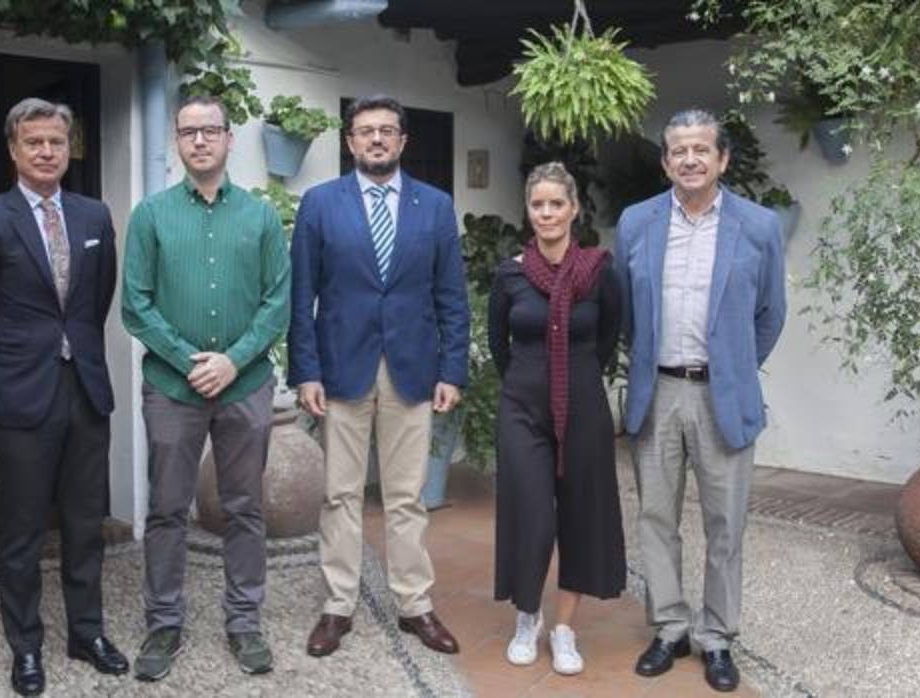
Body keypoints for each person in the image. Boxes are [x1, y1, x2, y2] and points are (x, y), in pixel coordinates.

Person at [0, 97, 127, 697]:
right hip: (22, 394)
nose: (47, 152)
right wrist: (6, 367)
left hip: (84, 390)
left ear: (68, 146)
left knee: (85, 525)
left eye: (56, 141)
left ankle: (87, 633)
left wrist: (69, 348)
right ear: (14, 150)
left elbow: (95, 302)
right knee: (23, 531)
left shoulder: (93, 216)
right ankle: (25, 647)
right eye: (35, 143)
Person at [288, 94, 470, 658]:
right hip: (341, 370)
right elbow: (302, 297)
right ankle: (338, 605)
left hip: (412, 371)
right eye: (365, 131)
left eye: (386, 131)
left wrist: (452, 369)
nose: (375, 139)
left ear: (402, 141)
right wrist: (306, 371)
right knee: (339, 493)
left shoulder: (435, 207)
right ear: (349, 141)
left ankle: (415, 604)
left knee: (406, 496)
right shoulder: (320, 204)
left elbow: (451, 298)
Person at [614, 108, 786, 693]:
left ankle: (716, 638)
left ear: (722, 159)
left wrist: (735, 366)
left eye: (701, 150)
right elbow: (627, 313)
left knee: (725, 525)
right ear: (665, 162)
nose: (690, 159)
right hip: (657, 390)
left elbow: (770, 314)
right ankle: (668, 628)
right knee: (656, 518)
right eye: (678, 150)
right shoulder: (636, 223)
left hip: (723, 394)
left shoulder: (758, 226)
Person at [121, 94, 290, 680]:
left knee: (245, 509)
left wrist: (233, 361)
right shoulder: (151, 215)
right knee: (167, 508)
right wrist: (192, 362)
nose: (199, 140)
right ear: (177, 140)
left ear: (228, 139)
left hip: (246, 387)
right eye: (188, 131)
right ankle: (163, 622)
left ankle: (244, 622)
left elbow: (277, 304)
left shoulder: (261, 216)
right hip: (172, 388)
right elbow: (135, 306)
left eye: (209, 130)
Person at [488, 162, 627, 676]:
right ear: (529, 210)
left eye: (556, 204)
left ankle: (565, 628)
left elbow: (609, 335)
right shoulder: (511, 274)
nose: (546, 213)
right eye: (537, 204)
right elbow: (497, 344)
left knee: (579, 516)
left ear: (574, 209)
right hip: (522, 410)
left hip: (584, 409)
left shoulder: (600, 272)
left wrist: (575, 379)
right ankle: (529, 616)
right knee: (532, 515)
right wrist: (530, 380)